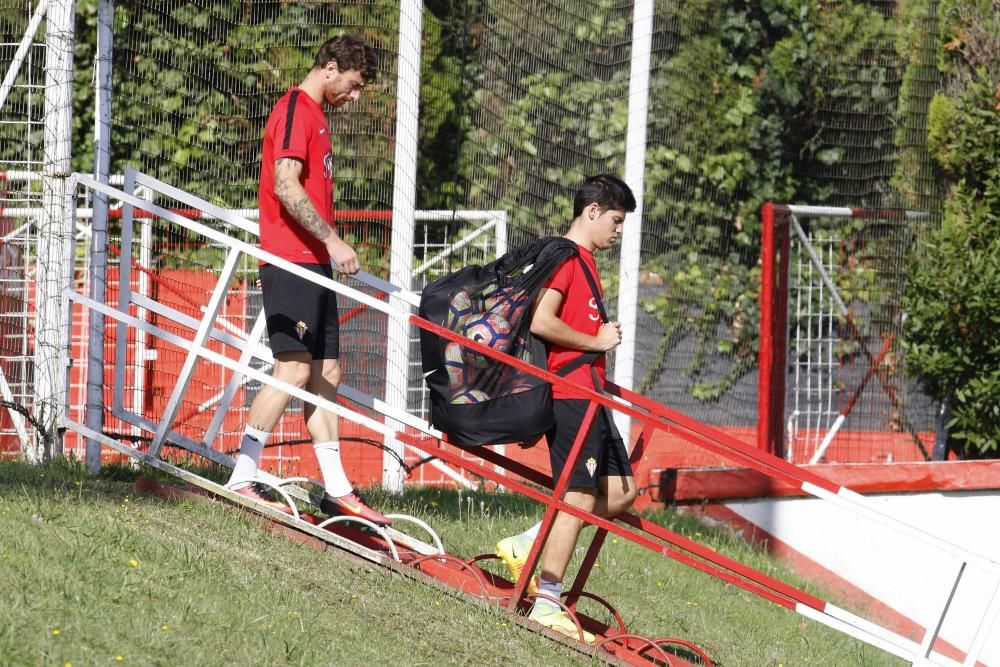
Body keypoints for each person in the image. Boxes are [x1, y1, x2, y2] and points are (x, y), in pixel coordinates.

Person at [224, 34, 391, 526]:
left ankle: (338, 491)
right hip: (291, 259)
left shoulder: (318, 117)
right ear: (331, 68)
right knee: (294, 370)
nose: (355, 97)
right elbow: (285, 183)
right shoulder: (297, 107)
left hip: (313, 263)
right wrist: (333, 239)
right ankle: (242, 475)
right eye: (355, 86)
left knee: (327, 374)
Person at [495, 174, 638, 642]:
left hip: (592, 395)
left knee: (619, 492)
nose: (618, 231)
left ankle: (526, 543)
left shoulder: (588, 261)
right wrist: (596, 341)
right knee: (576, 494)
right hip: (572, 393)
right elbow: (541, 320)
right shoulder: (566, 258)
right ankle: (548, 602)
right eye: (615, 220)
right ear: (591, 211)